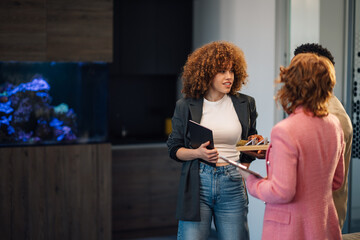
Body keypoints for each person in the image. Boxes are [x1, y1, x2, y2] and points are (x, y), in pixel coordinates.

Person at [237, 53, 345, 239]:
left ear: (292, 86)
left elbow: (281, 192)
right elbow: (336, 181)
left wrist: (250, 180)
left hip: (291, 230)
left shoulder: (285, 130)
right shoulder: (334, 124)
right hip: (324, 226)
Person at [166, 41, 258, 240]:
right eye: (222, 71)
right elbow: (174, 148)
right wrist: (197, 153)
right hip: (198, 181)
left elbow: (250, 141)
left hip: (233, 181)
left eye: (232, 71)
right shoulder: (185, 105)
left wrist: (246, 164)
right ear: (207, 73)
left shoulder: (245, 103)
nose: (229, 77)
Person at [294, 43, 353, 229]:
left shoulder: (331, 117)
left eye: (296, 69)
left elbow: (321, 177)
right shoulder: (317, 108)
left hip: (321, 217)